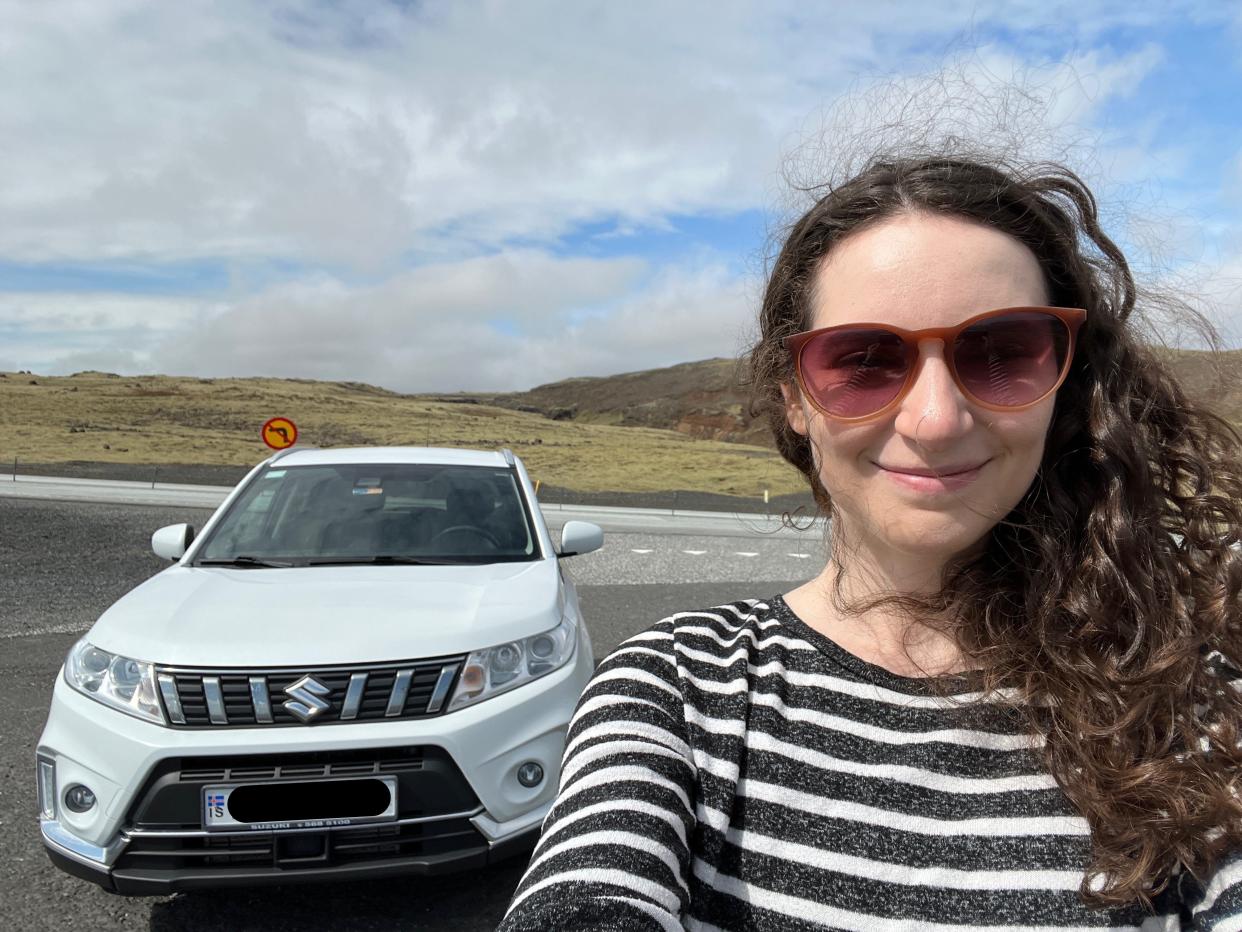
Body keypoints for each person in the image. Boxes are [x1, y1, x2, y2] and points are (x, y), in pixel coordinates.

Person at [497, 155, 1242, 930]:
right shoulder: (679, 689)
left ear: (1066, 379)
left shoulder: (1190, 700)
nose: (935, 419)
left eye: (1003, 352)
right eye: (863, 361)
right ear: (793, 397)